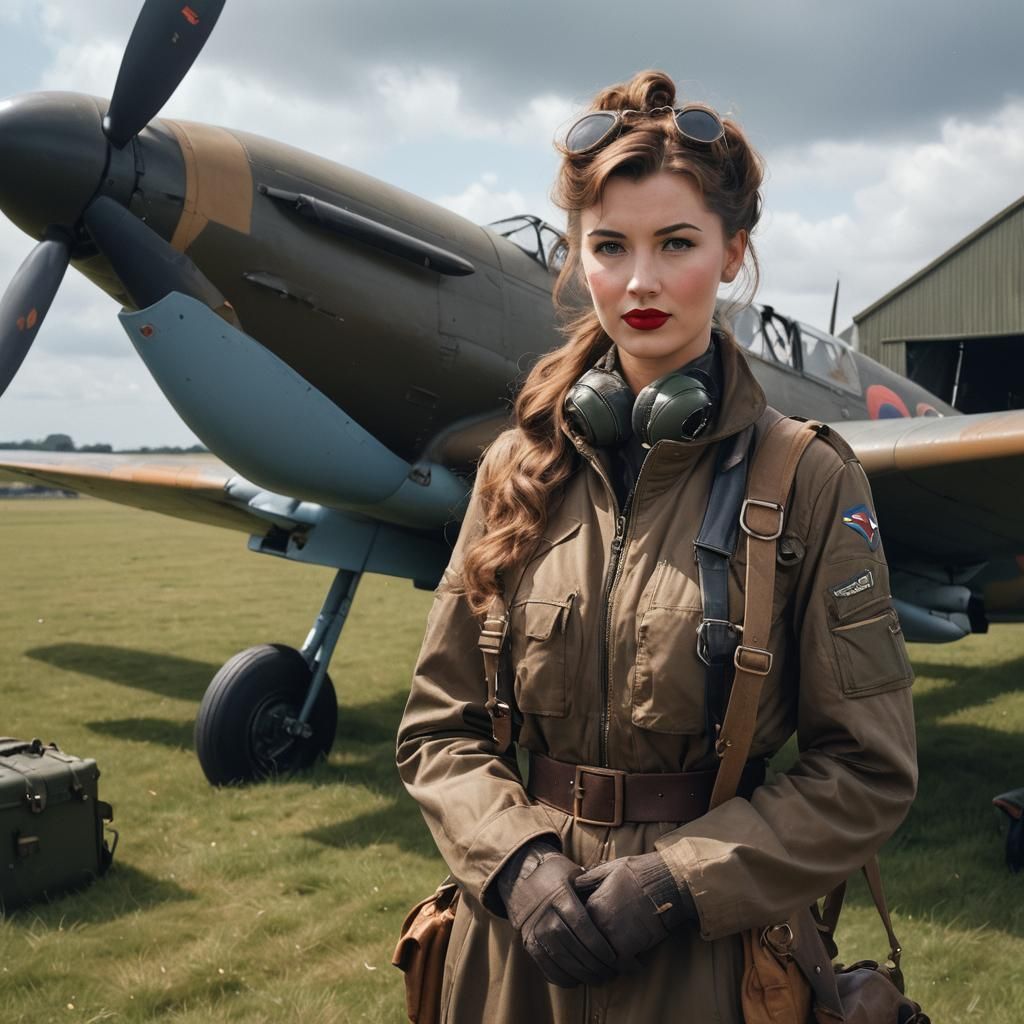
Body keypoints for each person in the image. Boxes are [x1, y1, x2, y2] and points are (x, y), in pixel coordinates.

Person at [396, 69, 918, 1024]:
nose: (640, 281)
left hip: (713, 963)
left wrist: (680, 881)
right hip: (514, 958)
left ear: (732, 254)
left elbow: (867, 770)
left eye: (676, 243)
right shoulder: (516, 468)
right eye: (610, 246)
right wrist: (513, 864)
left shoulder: (809, 479)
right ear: (578, 259)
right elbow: (439, 730)